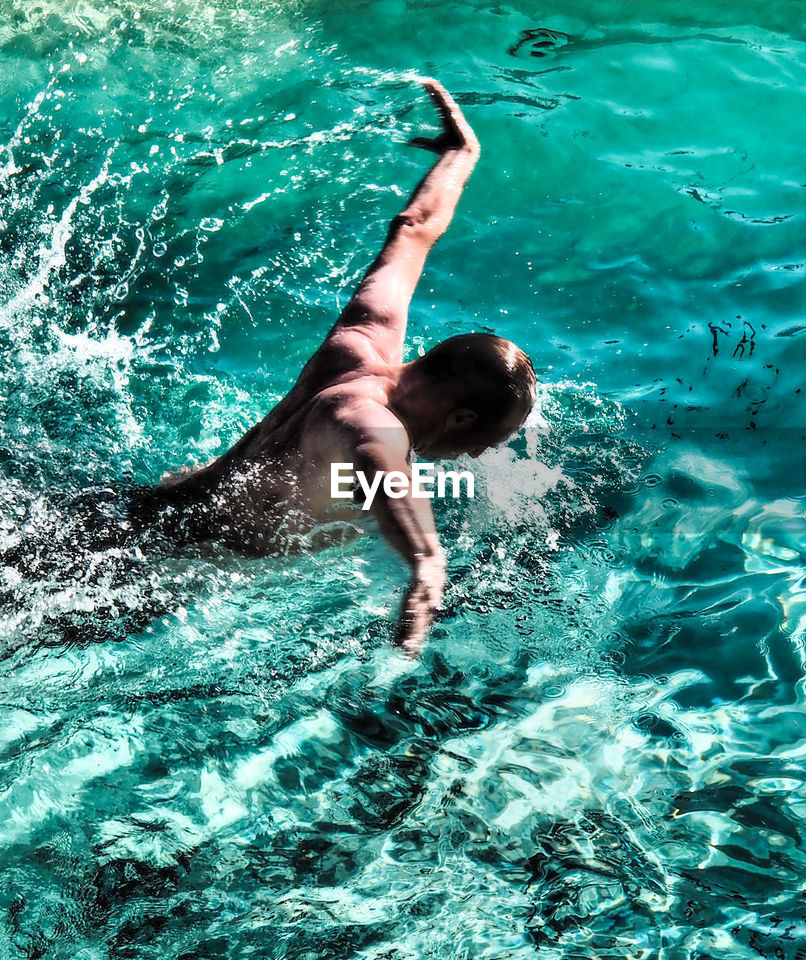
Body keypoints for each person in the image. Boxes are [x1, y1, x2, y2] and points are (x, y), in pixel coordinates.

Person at [127, 78, 536, 655]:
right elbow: (382, 469)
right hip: (157, 570)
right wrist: (426, 560)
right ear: (462, 417)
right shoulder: (371, 423)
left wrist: (461, 156)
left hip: (146, 507)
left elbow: (413, 232)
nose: (475, 457)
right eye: (486, 440)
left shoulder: (364, 340)